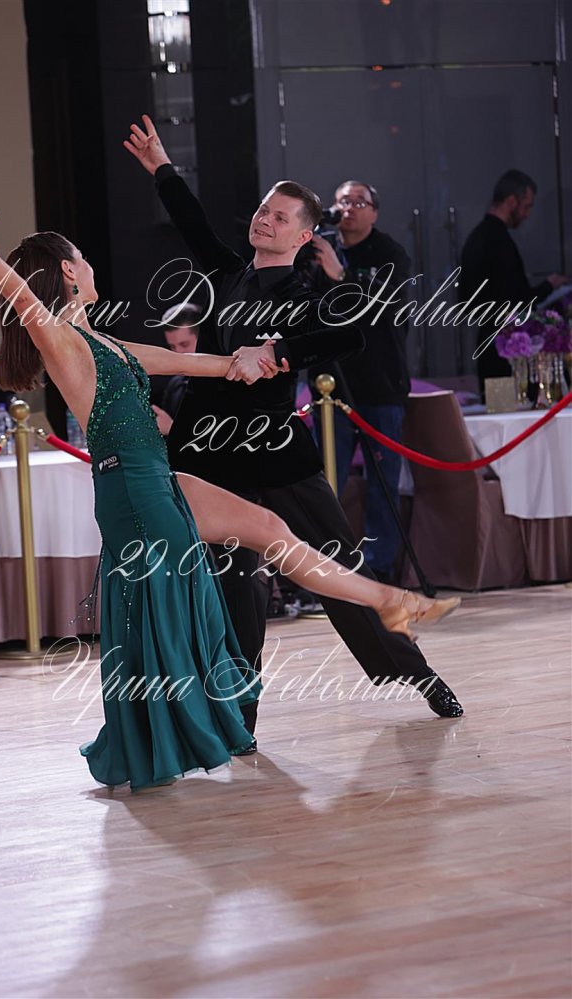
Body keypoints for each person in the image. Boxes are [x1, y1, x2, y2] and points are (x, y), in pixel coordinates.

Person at [0, 194, 460, 790]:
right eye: (81, 258)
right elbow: (24, 301)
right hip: (133, 491)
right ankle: (176, 729)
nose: (90, 263)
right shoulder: (62, 339)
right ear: (66, 273)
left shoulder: (109, 344)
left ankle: (389, 601)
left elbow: (197, 363)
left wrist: (260, 358)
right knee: (188, 603)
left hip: (160, 478)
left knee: (272, 533)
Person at [124, 115, 464, 742]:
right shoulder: (227, 274)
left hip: (279, 456)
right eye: (263, 211)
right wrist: (162, 169)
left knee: (339, 570)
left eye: (280, 217)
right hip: (214, 459)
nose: (265, 220)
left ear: (304, 235)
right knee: (235, 589)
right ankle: (239, 717)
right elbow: (194, 223)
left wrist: (276, 350)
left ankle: (417, 675)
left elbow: (351, 333)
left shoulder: (309, 295)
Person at [305, 179, 411, 583]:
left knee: (382, 483)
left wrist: (342, 274)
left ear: (375, 212)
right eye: (342, 201)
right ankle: (327, 569)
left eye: (358, 202)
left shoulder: (390, 254)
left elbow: (385, 309)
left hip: (380, 383)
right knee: (325, 483)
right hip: (330, 385)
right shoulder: (320, 249)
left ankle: (379, 571)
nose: (348, 208)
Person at [459, 169, 568, 398]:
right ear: (511, 201)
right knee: (511, 409)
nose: (527, 215)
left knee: (498, 409)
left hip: (490, 346)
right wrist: (548, 286)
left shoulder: (477, 238)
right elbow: (518, 299)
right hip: (507, 351)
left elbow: (468, 300)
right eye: (526, 206)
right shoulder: (498, 242)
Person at [151, 303, 201, 436]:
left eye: (184, 344)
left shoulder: (228, 380)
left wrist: (172, 429)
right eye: (172, 347)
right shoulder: (175, 385)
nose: (177, 353)